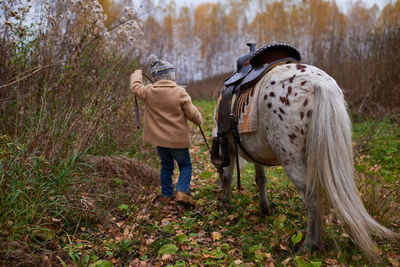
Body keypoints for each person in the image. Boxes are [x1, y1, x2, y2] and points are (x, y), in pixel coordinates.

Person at [130, 55, 203, 206]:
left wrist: (137, 74)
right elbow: (192, 114)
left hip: (160, 141)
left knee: (166, 166)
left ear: (156, 78)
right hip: (178, 141)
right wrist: (199, 121)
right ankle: (182, 191)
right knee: (185, 165)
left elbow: (135, 87)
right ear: (172, 76)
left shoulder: (149, 91)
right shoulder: (180, 92)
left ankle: (166, 194)